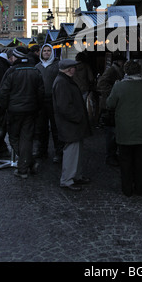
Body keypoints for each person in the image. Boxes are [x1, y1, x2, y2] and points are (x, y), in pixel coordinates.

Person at [106, 60, 142, 197]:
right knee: (140, 162)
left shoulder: (119, 87)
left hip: (124, 130)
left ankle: (127, 189)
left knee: (125, 162)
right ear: (139, 72)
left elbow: (110, 104)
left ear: (125, 72)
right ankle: (140, 189)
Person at [0, 47, 45, 179]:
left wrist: (5, 107)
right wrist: (38, 107)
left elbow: (4, 93)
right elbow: (40, 92)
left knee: (14, 137)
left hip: (14, 111)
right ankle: (26, 165)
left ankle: (24, 166)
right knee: (26, 138)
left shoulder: (11, 71)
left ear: (16, 57)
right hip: (31, 110)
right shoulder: (35, 70)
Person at [52, 59, 92, 191]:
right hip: (70, 125)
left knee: (76, 151)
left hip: (72, 124)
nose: (76, 69)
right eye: (74, 67)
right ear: (69, 69)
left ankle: (75, 176)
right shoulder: (62, 82)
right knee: (71, 152)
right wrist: (78, 117)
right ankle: (68, 179)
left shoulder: (63, 80)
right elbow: (64, 107)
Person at [34, 43, 63, 162]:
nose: (46, 52)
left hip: (54, 99)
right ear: (41, 53)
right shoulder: (37, 67)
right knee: (42, 128)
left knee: (56, 127)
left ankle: (59, 152)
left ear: (52, 52)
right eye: (44, 51)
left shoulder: (58, 66)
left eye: (48, 51)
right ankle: (42, 151)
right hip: (41, 101)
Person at [97, 54, 125, 166]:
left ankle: (112, 155)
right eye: (123, 61)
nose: (124, 63)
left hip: (111, 104)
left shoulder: (116, 70)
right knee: (111, 132)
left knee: (112, 132)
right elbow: (101, 84)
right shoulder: (112, 71)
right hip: (109, 105)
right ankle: (110, 156)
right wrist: (114, 91)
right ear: (118, 61)